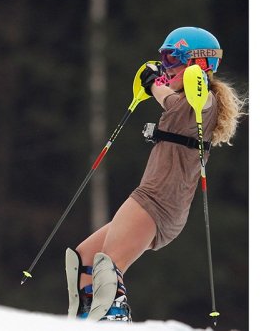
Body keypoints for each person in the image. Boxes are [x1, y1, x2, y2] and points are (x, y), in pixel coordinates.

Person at [65, 27, 246, 321]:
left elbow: (174, 105)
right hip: (156, 200)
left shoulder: (202, 102)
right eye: (163, 58)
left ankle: (112, 318)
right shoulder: (188, 100)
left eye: (172, 59)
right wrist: (156, 85)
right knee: (82, 259)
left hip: (157, 201)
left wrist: (154, 86)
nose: (165, 67)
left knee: (108, 265)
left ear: (196, 64)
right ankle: (84, 319)